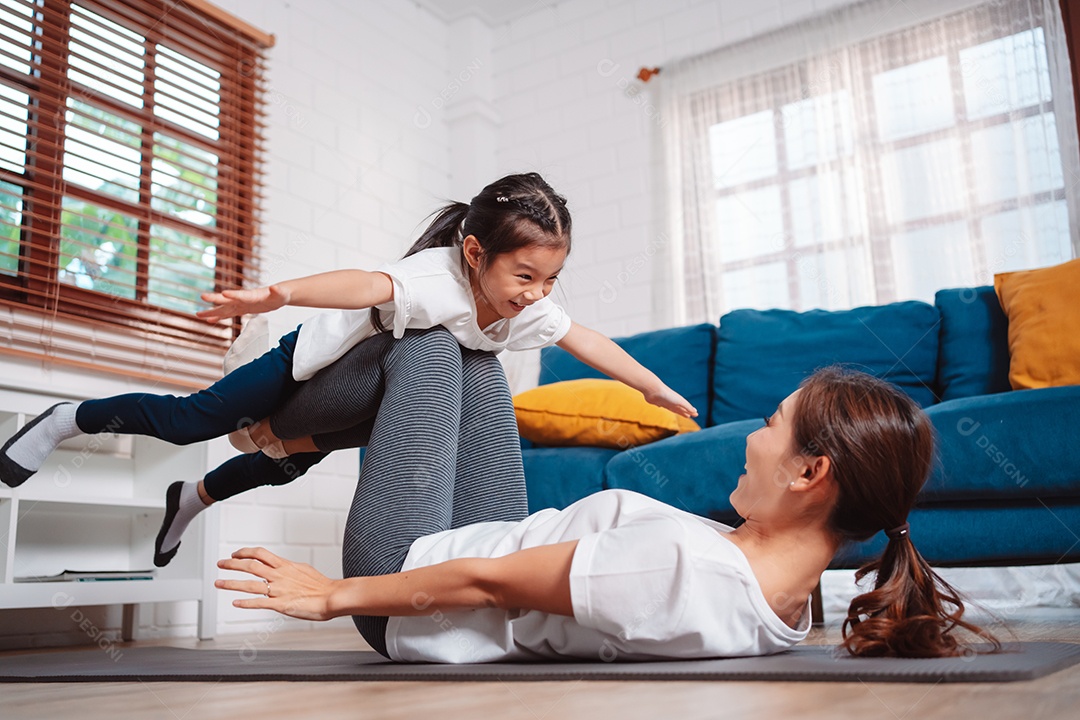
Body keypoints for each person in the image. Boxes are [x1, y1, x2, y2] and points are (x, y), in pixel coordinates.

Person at [0, 173, 696, 568]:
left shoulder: (521, 309)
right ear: (477, 252)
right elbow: (363, 284)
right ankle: (67, 419)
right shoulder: (436, 279)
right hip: (307, 367)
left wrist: (653, 387)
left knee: (289, 460)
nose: (538, 293)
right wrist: (278, 295)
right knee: (195, 420)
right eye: (525, 274)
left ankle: (193, 498)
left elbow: (587, 339)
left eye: (550, 278)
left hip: (373, 394)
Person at [215, 331, 998, 661]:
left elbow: (484, 581)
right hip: (493, 536)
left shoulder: (680, 570)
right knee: (478, 355)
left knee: (428, 341)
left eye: (771, 425)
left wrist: (336, 597)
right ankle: (294, 440)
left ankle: (263, 430)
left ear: (809, 474)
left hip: (411, 577)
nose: (751, 438)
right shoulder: (775, 600)